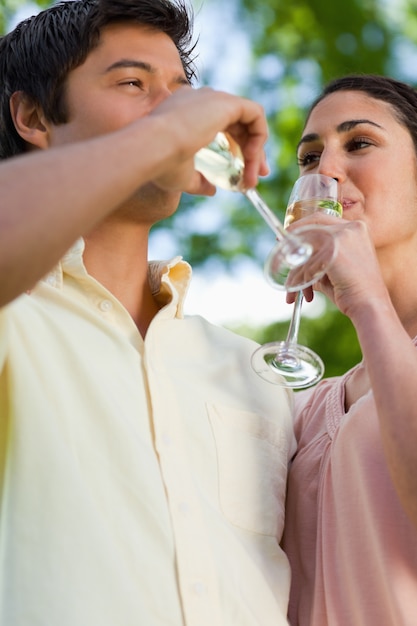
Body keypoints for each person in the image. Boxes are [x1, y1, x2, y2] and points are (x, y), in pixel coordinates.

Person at [0, 1, 295, 625]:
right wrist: (160, 134)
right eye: (134, 84)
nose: (175, 111)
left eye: (182, 92)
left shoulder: (254, 370)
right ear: (32, 116)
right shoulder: (16, 318)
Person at [281, 73, 417, 626]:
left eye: (358, 143)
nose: (326, 172)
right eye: (309, 158)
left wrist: (366, 301)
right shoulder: (312, 406)